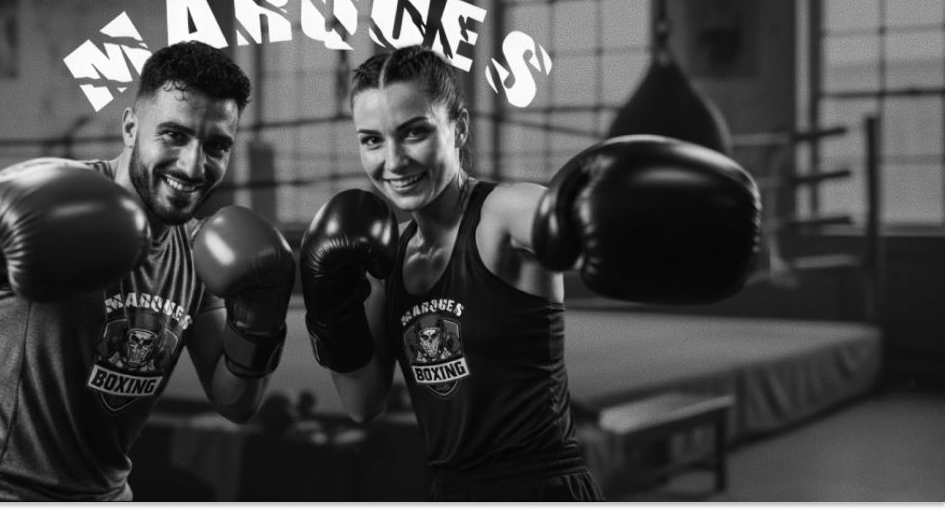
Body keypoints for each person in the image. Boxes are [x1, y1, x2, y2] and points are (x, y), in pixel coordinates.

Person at [299, 45, 758, 503]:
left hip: (541, 485)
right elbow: (363, 403)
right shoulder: (385, 260)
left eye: (413, 132)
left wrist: (584, 218)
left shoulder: (502, 215)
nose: (394, 161)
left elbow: (551, 214)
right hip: (449, 489)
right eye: (372, 140)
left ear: (458, 128)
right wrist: (330, 310)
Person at [0, 41, 296, 503]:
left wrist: (263, 316)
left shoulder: (198, 248)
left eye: (216, 146)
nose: (193, 165)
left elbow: (235, 402)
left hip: (105, 493)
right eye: (174, 135)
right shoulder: (59, 198)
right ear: (131, 127)